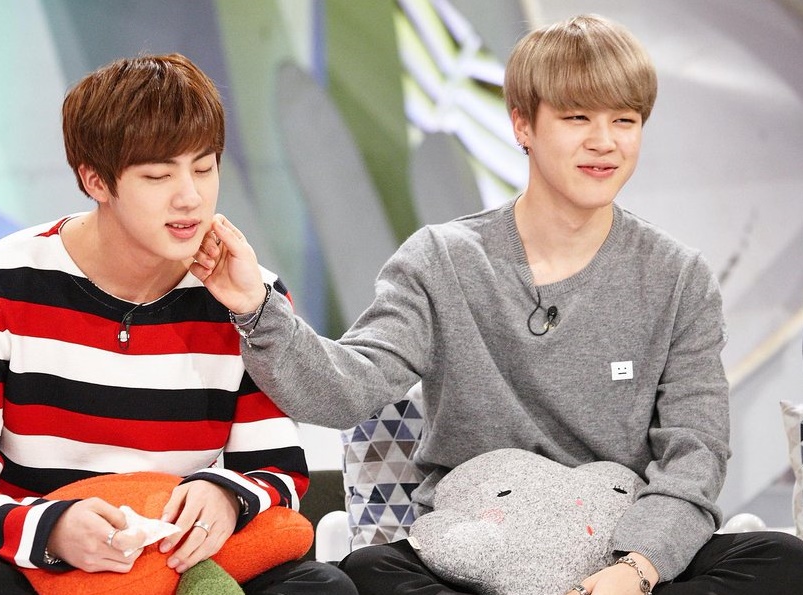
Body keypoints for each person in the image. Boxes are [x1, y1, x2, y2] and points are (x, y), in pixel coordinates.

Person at [191, 14, 803, 595]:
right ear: (522, 125)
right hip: (477, 550)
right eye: (577, 117)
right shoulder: (442, 259)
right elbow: (345, 389)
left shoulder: (679, 278)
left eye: (624, 120)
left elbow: (695, 454)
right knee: (370, 572)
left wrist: (637, 568)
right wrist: (255, 307)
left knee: (782, 560)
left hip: (623, 553)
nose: (604, 142)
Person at [0, 53, 356, 595]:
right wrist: (54, 530)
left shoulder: (250, 293)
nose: (190, 197)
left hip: (175, 565)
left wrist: (227, 496)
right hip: (34, 570)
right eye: (158, 175)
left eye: (204, 168)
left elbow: (277, 471)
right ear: (95, 180)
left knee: (322, 586)